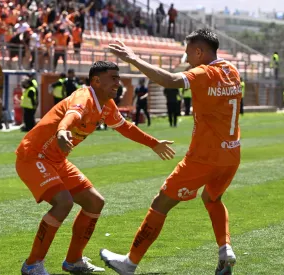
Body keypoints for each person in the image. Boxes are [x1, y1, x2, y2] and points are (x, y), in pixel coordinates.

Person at [101, 28, 241, 275]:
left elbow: (171, 81)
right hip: (231, 155)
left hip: (204, 157)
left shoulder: (203, 72)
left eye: (188, 52)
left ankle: (129, 263)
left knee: (160, 203)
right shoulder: (232, 70)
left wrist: (133, 59)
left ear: (199, 52)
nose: (186, 58)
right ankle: (225, 249)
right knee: (212, 198)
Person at [15, 61, 175, 275]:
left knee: (94, 202)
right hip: (33, 156)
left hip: (57, 160)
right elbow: (72, 115)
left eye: (119, 78)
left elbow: (125, 127)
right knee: (63, 203)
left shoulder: (106, 104)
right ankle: (32, 265)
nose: (118, 83)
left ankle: (73, 261)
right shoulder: (84, 97)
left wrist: (153, 143)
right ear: (96, 81)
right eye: (113, 78)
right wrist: (62, 131)